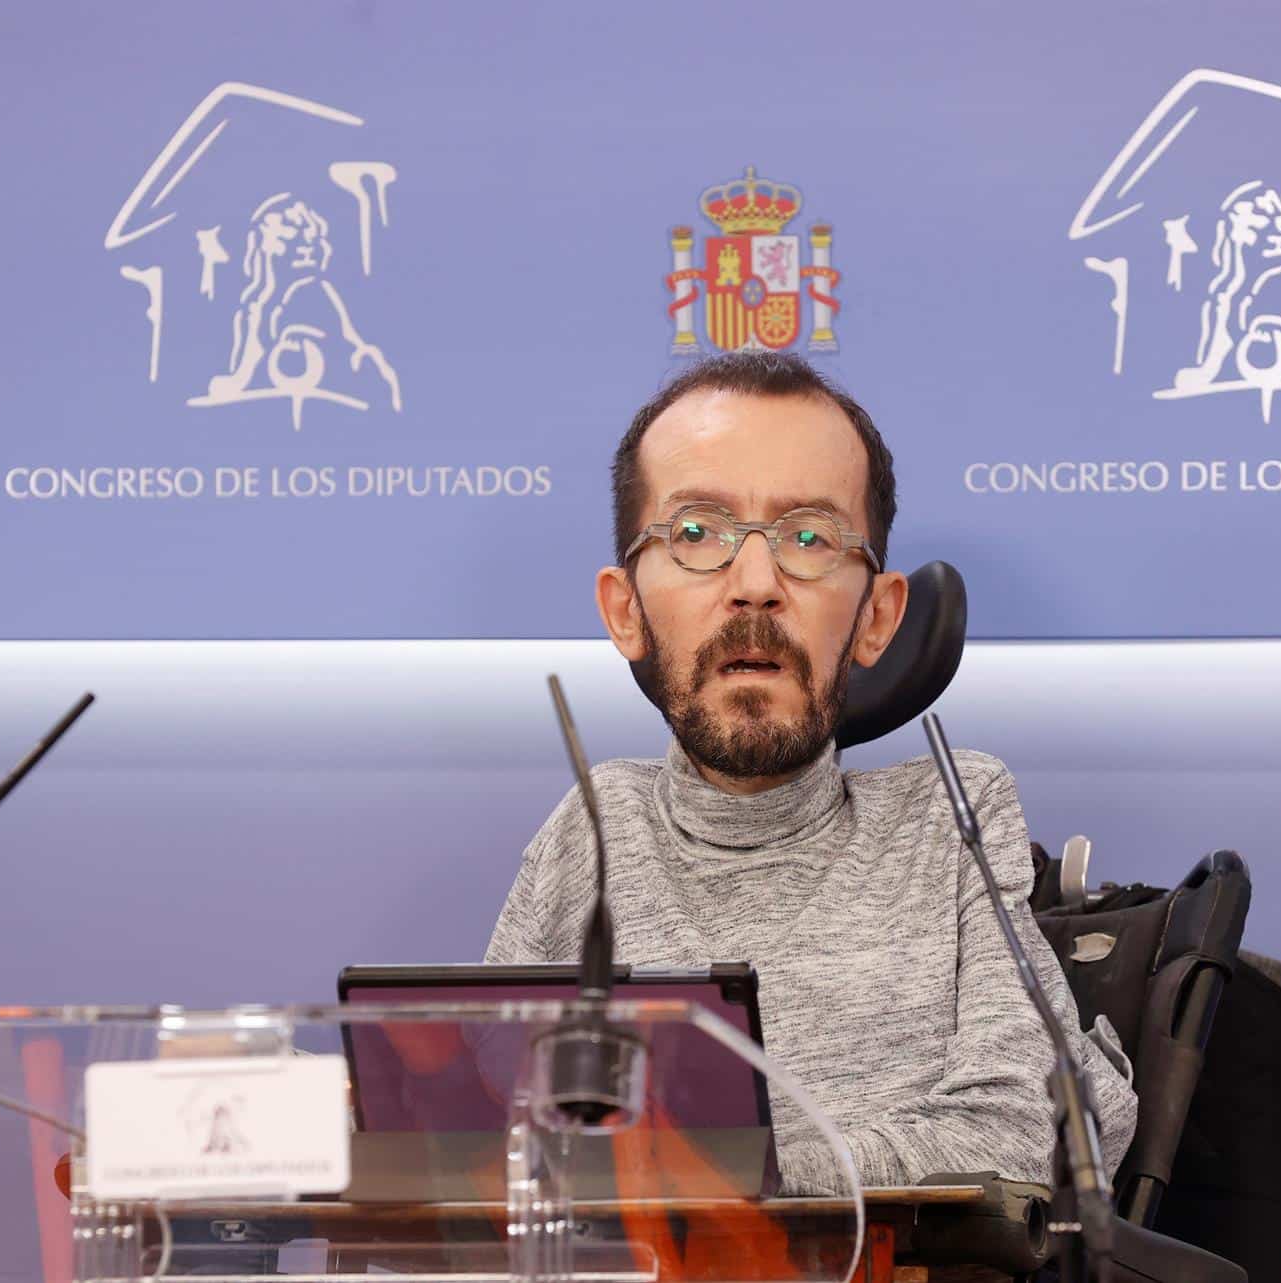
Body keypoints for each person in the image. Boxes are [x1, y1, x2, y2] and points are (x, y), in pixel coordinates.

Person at [485, 352, 1136, 1192]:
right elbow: (479, 1129)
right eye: (696, 534)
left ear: (878, 618)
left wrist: (719, 1178)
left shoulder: (953, 814)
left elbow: (1028, 1131)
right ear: (624, 609)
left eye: (808, 539)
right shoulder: (594, 827)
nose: (755, 585)